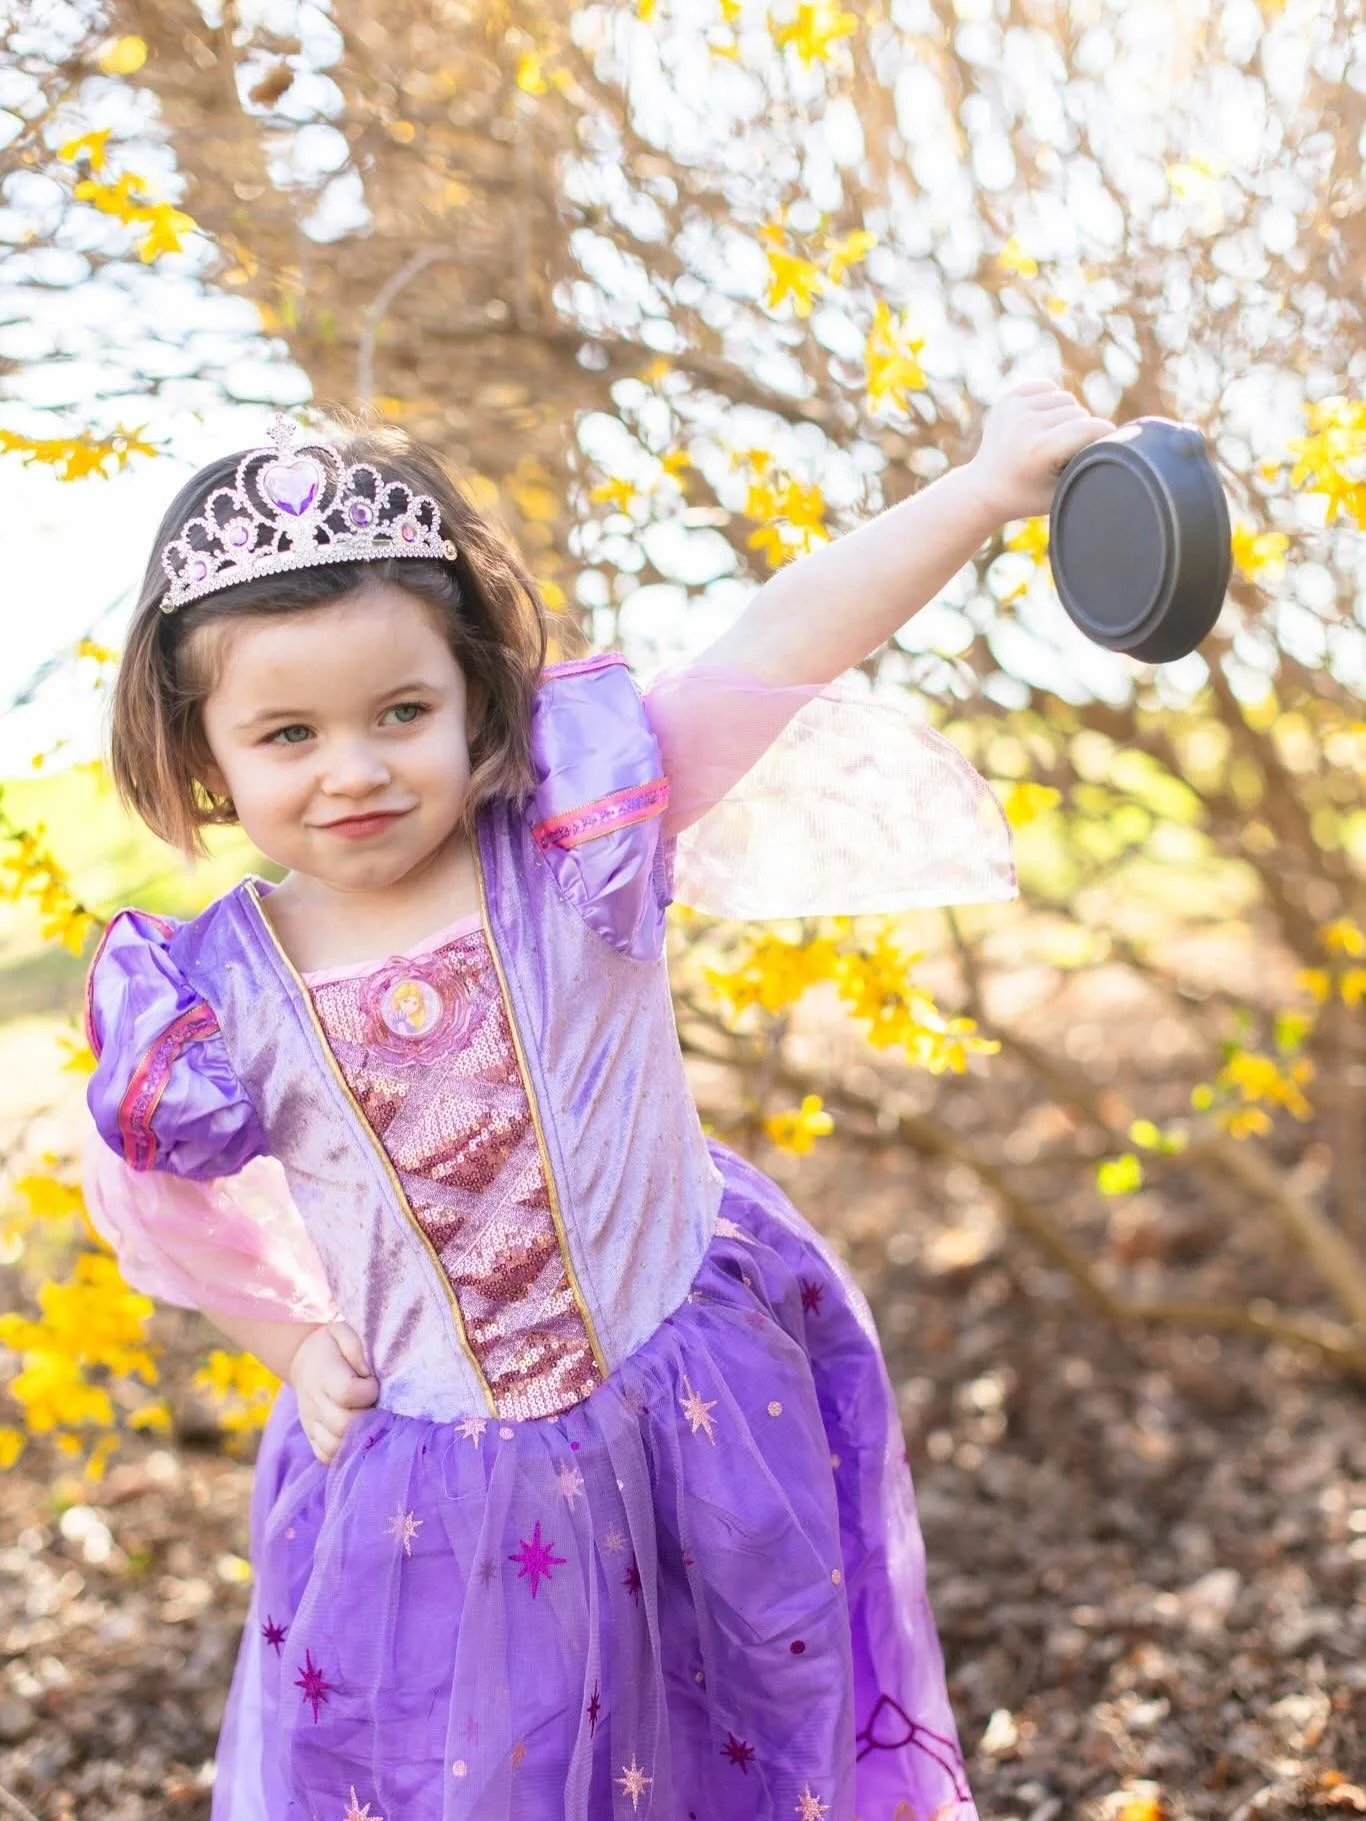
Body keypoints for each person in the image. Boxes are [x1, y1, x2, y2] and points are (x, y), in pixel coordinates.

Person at [81, 381, 1112, 1821]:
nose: (357, 768)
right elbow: (152, 1199)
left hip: (691, 1406)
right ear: (205, 754)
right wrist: (286, 1341)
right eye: (289, 736)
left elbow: (781, 640)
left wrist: (984, 488)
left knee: (737, 1742)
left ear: (471, 696)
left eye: (400, 711)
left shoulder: (576, 836)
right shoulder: (213, 1000)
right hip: (434, 1497)